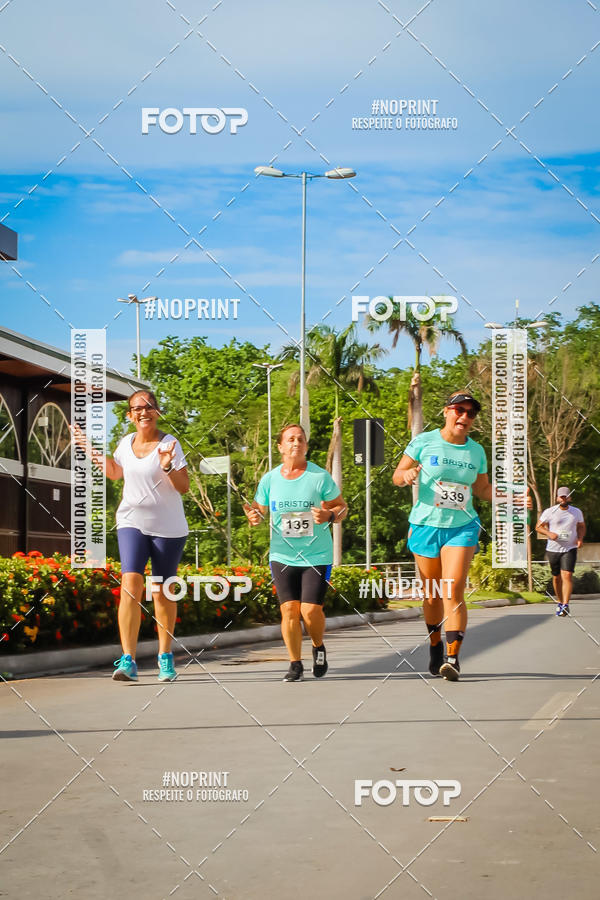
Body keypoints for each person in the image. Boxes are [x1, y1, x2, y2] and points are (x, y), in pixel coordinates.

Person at [71, 389, 189, 682]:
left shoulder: (170, 443)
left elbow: (183, 487)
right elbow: (114, 473)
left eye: (149, 407)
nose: (144, 412)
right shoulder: (125, 443)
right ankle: (128, 660)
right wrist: (88, 447)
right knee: (130, 584)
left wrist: (167, 465)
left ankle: (165, 657)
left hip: (168, 528)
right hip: (131, 521)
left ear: (157, 412)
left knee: (162, 592)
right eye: (137, 408)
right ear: (129, 415)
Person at [393, 391, 490, 681]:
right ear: (447, 411)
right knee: (433, 594)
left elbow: (481, 490)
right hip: (425, 525)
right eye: (460, 410)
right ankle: (435, 645)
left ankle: (452, 657)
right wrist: (407, 476)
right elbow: (397, 475)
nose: (464, 417)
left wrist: (507, 496)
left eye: (471, 413)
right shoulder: (423, 442)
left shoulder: (476, 451)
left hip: (463, 526)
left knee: (453, 588)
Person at [243, 424, 347, 682]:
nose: (296, 443)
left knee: (310, 611)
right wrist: (254, 516)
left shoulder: (319, 477)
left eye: (300, 439)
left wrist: (330, 515)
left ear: (306, 446)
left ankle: (318, 646)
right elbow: (258, 509)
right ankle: (295, 663)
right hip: (282, 555)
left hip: (316, 555)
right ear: (280, 447)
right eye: (290, 439)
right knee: (289, 610)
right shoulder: (270, 479)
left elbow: (342, 507)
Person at [536, 487, 585, 616]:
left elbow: (581, 526)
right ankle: (560, 601)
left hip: (570, 548)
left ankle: (565, 605)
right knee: (556, 577)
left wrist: (580, 538)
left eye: (566, 496)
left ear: (570, 497)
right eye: (561, 496)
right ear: (557, 498)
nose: (563, 499)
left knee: (567, 575)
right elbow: (538, 527)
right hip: (553, 549)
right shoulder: (550, 512)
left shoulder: (576, 512)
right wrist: (549, 533)